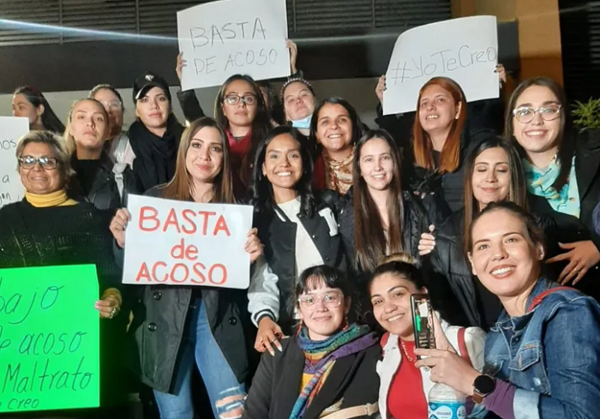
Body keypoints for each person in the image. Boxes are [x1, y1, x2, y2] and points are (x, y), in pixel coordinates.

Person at [110, 117, 264, 419]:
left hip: (217, 319)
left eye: (215, 148)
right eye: (196, 145)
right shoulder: (154, 201)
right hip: (165, 321)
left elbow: (246, 282)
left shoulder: (237, 207)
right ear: (184, 151)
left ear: (224, 157)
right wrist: (122, 244)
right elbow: (130, 271)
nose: (204, 156)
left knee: (236, 414)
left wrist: (251, 260)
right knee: (177, 415)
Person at [415, 202, 600, 419]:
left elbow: (582, 416)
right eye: (484, 246)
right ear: (472, 264)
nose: (498, 254)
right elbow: (498, 408)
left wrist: (473, 381)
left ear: (538, 248)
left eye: (511, 239)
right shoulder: (499, 333)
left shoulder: (566, 312)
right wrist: (457, 387)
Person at [0, 130, 128, 415]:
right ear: (19, 168)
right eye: (28, 160)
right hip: (18, 371)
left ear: (65, 168)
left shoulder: (91, 218)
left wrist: (113, 299)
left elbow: (109, 278)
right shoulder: (3, 220)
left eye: (47, 160)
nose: (37, 168)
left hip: (79, 366)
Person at [418, 136, 556, 329]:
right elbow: (432, 305)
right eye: (481, 169)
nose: (490, 178)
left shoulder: (540, 226)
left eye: (501, 170)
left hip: (534, 333)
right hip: (475, 344)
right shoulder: (445, 235)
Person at [250, 125, 348, 344]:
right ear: (263, 168)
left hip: (338, 320)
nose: (284, 163)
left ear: (304, 164)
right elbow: (262, 280)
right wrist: (264, 318)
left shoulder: (329, 206)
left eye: (293, 155)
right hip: (291, 326)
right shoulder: (258, 222)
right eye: (274, 156)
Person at [505, 77, 600, 300]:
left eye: (548, 110)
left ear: (563, 116)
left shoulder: (594, 153)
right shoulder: (501, 175)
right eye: (525, 112)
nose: (536, 120)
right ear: (512, 122)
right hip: (551, 304)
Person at [243, 265, 380, 419]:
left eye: (330, 297)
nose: (320, 307)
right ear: (299, 309)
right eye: (309, 300)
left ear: (347, 304)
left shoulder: (369, 353)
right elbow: (253, 414)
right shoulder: (277, 354)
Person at [368, 253, 486, 419]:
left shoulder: (466, 340)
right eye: (378, 301)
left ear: (422, 294)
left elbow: (499, 405)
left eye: (398, 294)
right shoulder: (387, 345)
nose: (388, 308)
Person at [338, 129, 429, 273]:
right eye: (369, 160)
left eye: (385, 158)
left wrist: (434, 249)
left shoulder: (419, 206)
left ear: (395, 162)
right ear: (359, 168)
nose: (378, 167)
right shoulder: (347, 217)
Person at [64, 98, 139, 211]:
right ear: (70, 128)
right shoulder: (55, 174)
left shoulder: (123, 178)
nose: (90, 123)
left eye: (98, 118)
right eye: (81, 117)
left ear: (108, 130)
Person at [128, 70, 185, 192]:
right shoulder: (126, 148)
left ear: (169, 106)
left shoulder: (187, 140)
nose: (154, 105)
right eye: (144, 100)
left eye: (161, 99)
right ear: (136, 110)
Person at [310, 97, 365, 194]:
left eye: (342, 120)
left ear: (353, 127)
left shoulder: (372, 162)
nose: (334, 126)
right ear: (316, 134)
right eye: (325, 122)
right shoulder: (309, 169)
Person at [89, 84, 135, 168]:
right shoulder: (81, 148)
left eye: (114, 104)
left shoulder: (135, 145)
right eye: (100, 104)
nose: (108, 110)